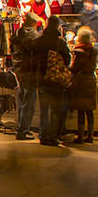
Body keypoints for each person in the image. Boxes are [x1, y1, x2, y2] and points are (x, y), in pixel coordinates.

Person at [34, 16, 71, 145]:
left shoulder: (39, 41)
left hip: (41, 79)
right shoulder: (59, 41)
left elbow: (33, 60)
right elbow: (67, 59)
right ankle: (52, 136)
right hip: (55, 80)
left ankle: (43, 135)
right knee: (55, 110)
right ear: (57, 26)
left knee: (44, 109)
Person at [11, 13, 40, 140]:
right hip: (29, 70)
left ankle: (21, 128)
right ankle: (23, 130)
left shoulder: (18, 33)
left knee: (22, 100)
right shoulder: (32, 35)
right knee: (29, 102)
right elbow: (37, 52)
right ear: (34, 23)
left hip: (19, 69)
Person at [68, 26, 98, 144]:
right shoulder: (94, 51)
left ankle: (80, 136)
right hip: (91, 80)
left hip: (80, 82)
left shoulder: (78, 52)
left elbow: (73, 68)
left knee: (81, 110)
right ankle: (90, 135)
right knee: (89, 110)